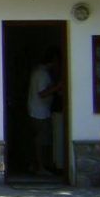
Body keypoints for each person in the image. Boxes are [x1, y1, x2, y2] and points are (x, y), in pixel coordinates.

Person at [27, 47, 62, 175]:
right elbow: (42, 93)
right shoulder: (42, 74)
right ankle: (40, 167)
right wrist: (57, 87)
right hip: (39, 112)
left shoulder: (38, 71)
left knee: (38, 139)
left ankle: (36, 165)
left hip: (37, 110)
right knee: (41, 141)